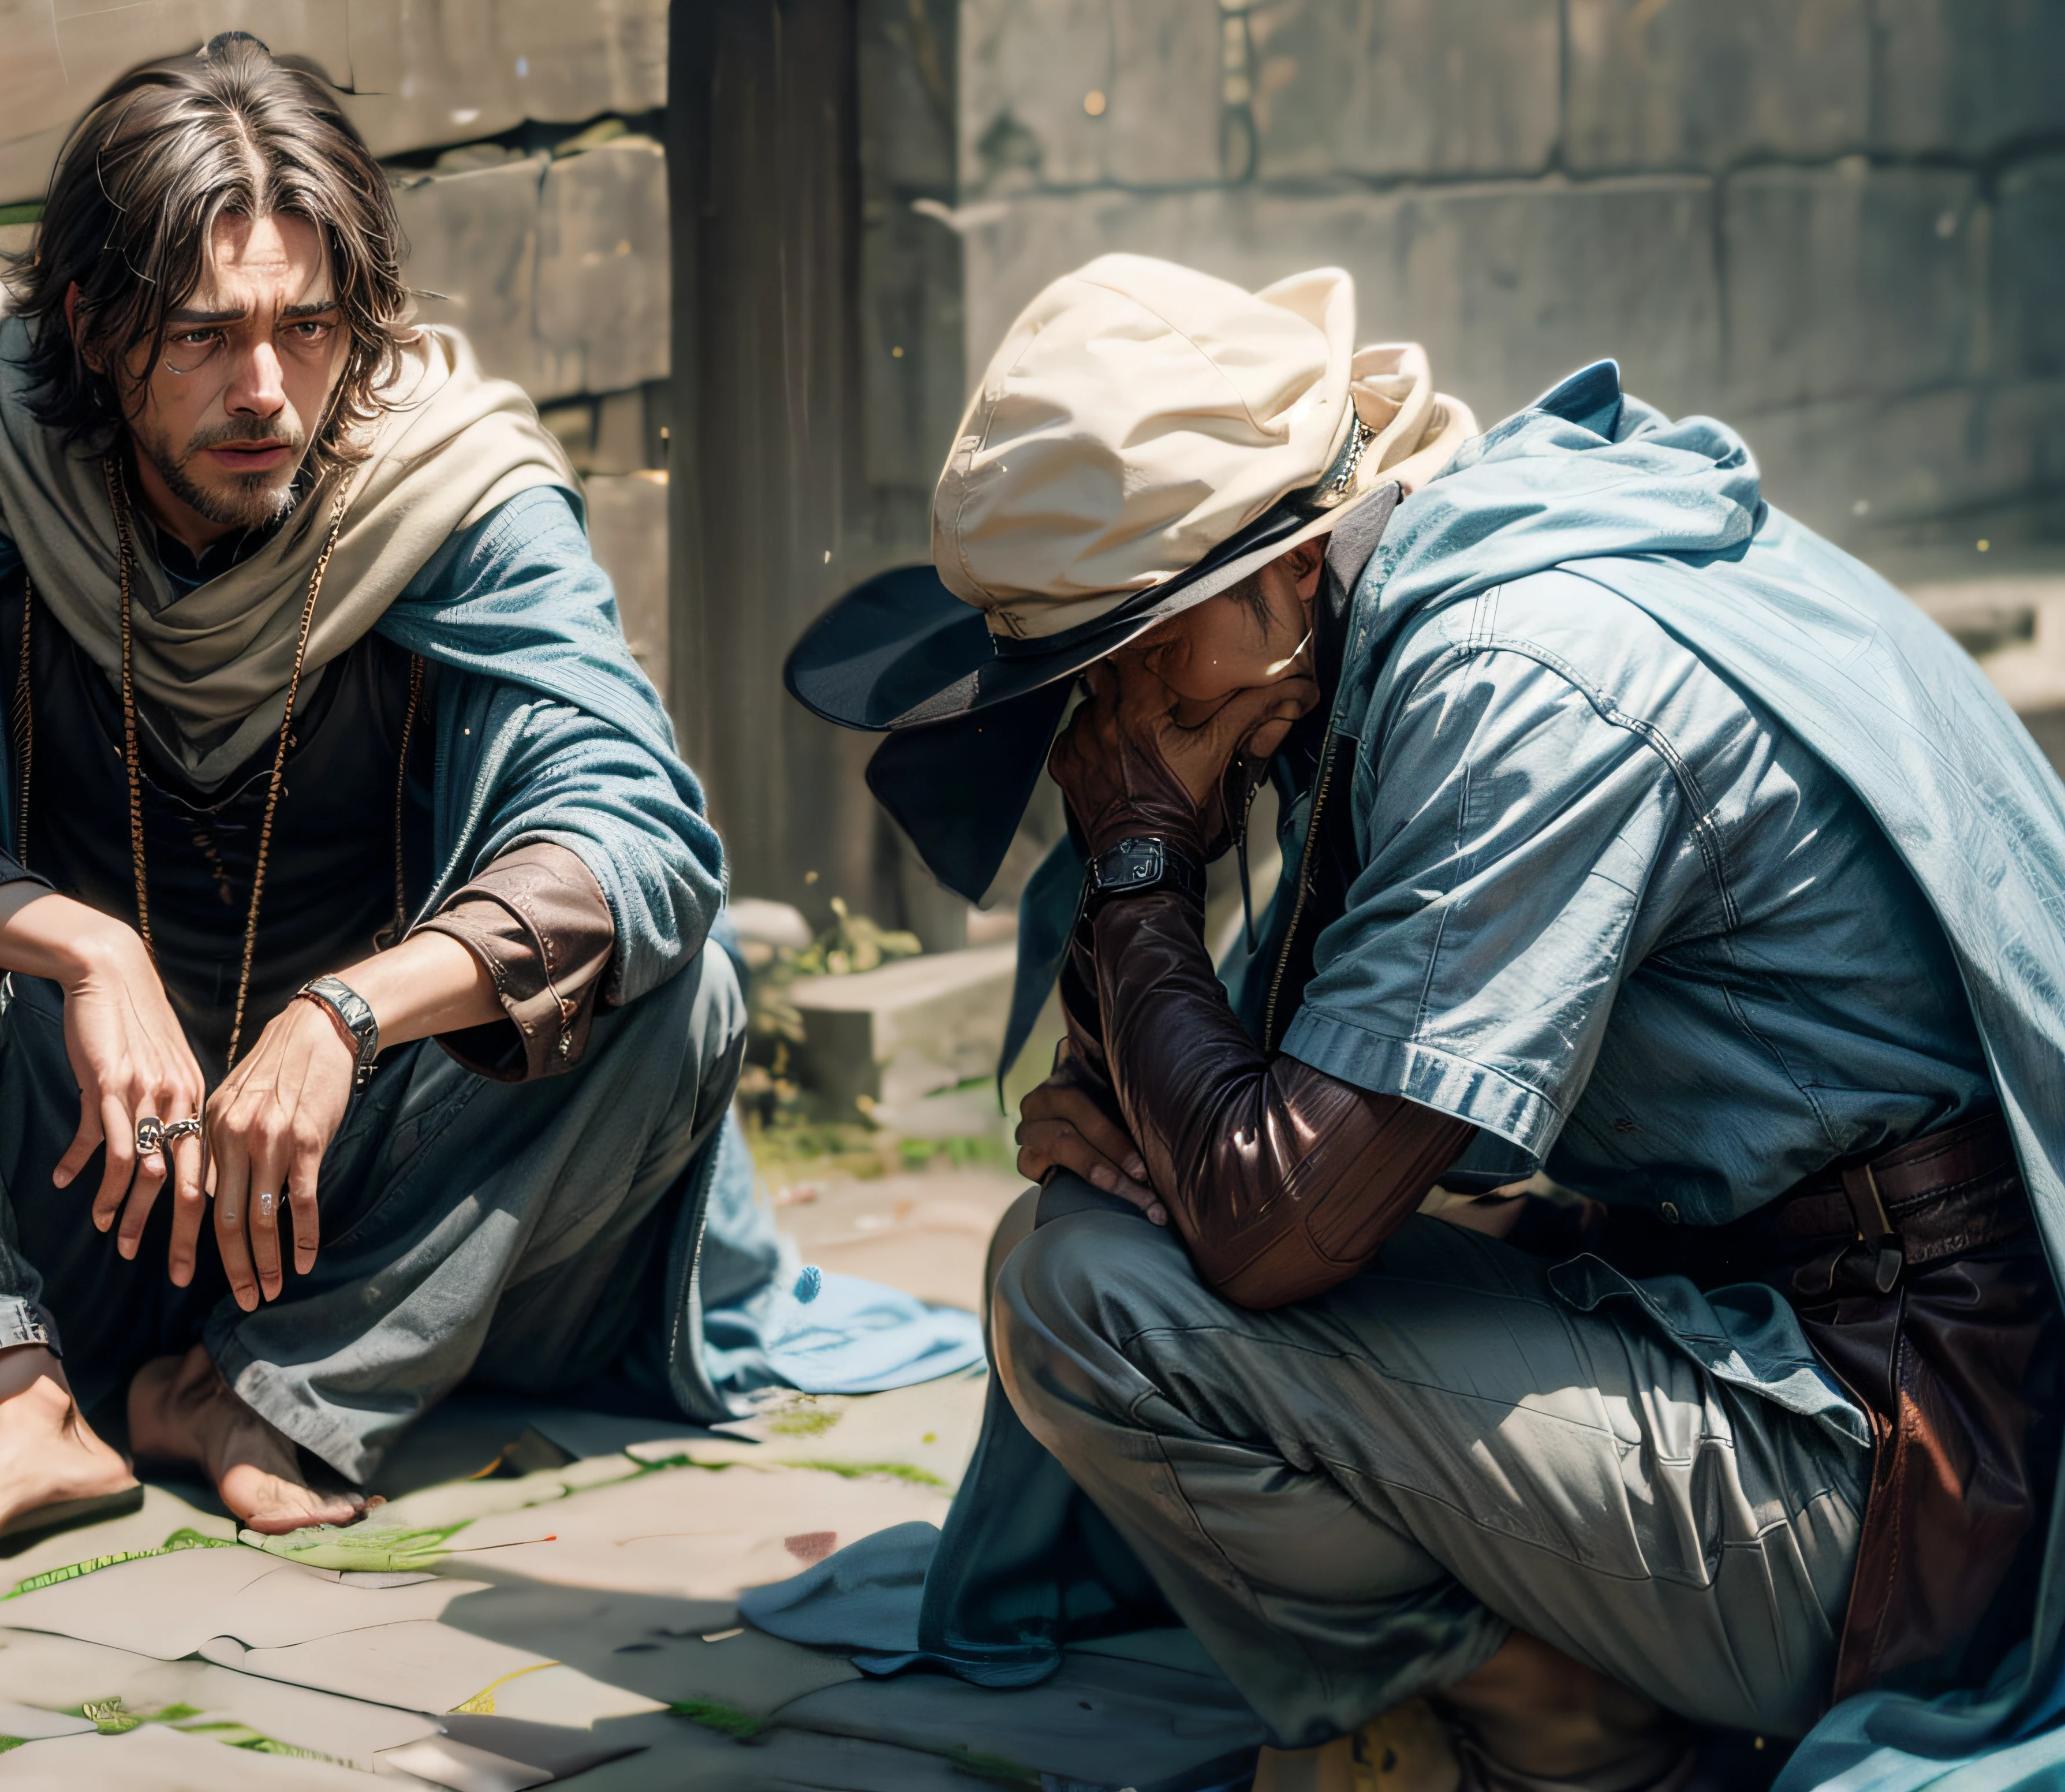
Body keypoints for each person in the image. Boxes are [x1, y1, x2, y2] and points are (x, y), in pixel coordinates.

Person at [774, 256, 2065, 1791]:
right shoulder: (1447, 587)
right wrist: (1147, 1090)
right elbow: (1290, 1134)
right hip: (1782, 1334)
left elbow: (1270, 1225)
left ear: (1290, 567)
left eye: (1135, 656)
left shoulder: (1515, 677)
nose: (1112, 722)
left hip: (1898, 1491)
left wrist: (1138, 868)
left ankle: (1558, 1720)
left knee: (1089, 1300)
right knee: (1120, 1247)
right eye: (1085, 687)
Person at [0, 34, 754, 1563]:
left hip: (373, 1192)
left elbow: (637, 836)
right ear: (93, 322)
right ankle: (15, 1395)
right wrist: (85, 950)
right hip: (76, 1175)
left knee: (682, 989)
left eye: (308, 328)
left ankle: (275, 1391)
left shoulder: (451, 485)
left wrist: (354, 1017)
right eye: (202, 335)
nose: (265, 390)